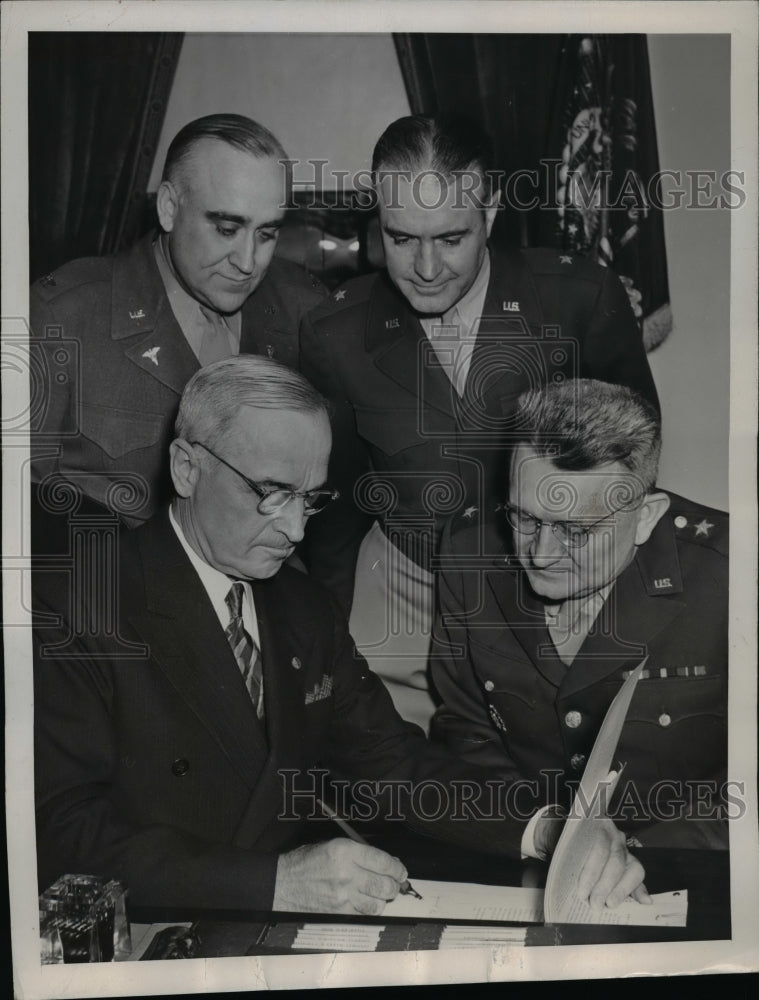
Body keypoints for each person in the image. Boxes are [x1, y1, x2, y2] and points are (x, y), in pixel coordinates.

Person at [34, 356, 646, 914]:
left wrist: (546, 828)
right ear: (186, 468)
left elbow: (394, 766)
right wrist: (276, 882)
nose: (296, 529)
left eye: (312, 499)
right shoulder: (77, 606)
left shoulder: (300, 605)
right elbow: (60, 833)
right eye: (273, 495)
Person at [301, 113, 659, 731]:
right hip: (404, 589)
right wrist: (334, 633)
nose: (426, 267)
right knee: (394, 779)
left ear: (490, 212)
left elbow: (633, 465)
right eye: (401, 238)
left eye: (450, 238)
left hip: (549, 583)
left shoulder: (579, 298)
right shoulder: (334, 332)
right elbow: (335, 512)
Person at [431, 379, 728, 848]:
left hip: (680, 867)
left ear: (646, 517)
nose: (542, 555)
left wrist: (639, 855)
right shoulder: (469, 550)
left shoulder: (730, 573)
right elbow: (467, 730)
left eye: (575, 530)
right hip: (525, 850)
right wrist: (543, 835)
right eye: (524, 517)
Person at [30, 113, 325, 535]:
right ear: (169, 207)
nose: (247, 263)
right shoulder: (63, 315)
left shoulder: (305, 308)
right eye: (226, 229)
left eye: (266, 234)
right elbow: (21, 509)